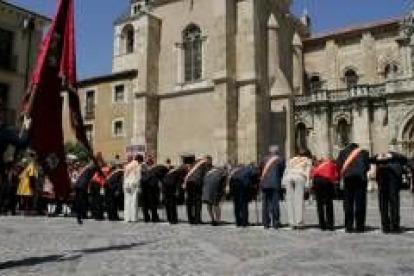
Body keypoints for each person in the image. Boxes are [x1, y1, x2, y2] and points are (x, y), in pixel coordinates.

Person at [336, 142, 370, 233]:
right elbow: (368, 167)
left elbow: (338, 165)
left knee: (348, 203)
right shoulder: (364, 152)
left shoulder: (342, 152)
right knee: (360, 203)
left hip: (348, 179)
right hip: (360, 180)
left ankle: (348, 226)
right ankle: (360, 226)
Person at [372, 151, 407, 233]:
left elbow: (404, 159)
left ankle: (393, 226)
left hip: (392, 181)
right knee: (384, 205)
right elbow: (370, 160)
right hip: (383, 181)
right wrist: (379, 156)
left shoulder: (396, 157)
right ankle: (387, 226)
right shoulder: (378, 158)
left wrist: (390, 155)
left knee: (392, 205)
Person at [282, 148, 312, 230]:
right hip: (299, 177)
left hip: (289, 178)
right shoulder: (307, 160)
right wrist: (308, 184)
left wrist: (283, 183)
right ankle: (299, 223)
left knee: (290, 201)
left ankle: (292, 223)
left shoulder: (291, 160)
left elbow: (286, 171)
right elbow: (308, 172)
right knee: (298, 201)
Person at [260, 146, 285, 229]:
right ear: (277, 151)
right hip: (275, 184)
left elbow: (260, 170)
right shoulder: (280, 159)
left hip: (264, 184)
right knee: (275, 204)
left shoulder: (264, 159)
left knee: (265, 204)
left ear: (270, 151)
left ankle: (265, 223)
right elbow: (282, 171)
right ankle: (275, 223)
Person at [183, 155, 213, 225]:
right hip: (196, 183)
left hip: (188, 182)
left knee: (189, 202)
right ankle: (197, 220)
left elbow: (189, 171)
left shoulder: (195, 162)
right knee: (198, 202)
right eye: (211, 161)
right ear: (208, 159)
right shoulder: (205, 163)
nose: (211, 163)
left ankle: (190, 220)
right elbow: (207, 174)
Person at [311, 157, 339, 231]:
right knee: (328, 203)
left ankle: (322, 225)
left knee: (319, 204)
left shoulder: (318, 166)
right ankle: (330, 225)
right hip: (326, 181)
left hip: (317, 181)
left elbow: (312, 174)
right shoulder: (332, 164)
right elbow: (336, 176)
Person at [123, 154, 144, 223]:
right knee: (134, 202)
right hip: (134, 184)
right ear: (140, 160)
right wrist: (139, 186)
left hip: (126, 184)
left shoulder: (128, 165)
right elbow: (138, 177)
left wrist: (125, 185)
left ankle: (127, 218)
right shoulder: (137, 165)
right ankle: (133, 218)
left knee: (127, 202)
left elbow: (125, 176)